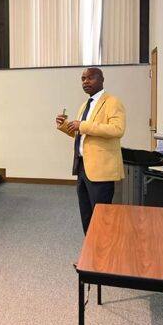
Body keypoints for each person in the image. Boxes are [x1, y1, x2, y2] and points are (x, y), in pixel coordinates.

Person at [56, 67, 126, 234]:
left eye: (90, 78)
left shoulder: (112, 102)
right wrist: (65, 126)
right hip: (82, 166)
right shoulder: (85, 105)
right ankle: (90, 254)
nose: (85, 82)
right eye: (82, 79)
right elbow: (82, 134)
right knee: (86, 215)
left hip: (101, 169)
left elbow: (117, 129)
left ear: (101, 79)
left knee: (102, 217)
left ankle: (103, 257)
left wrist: (83, 125)